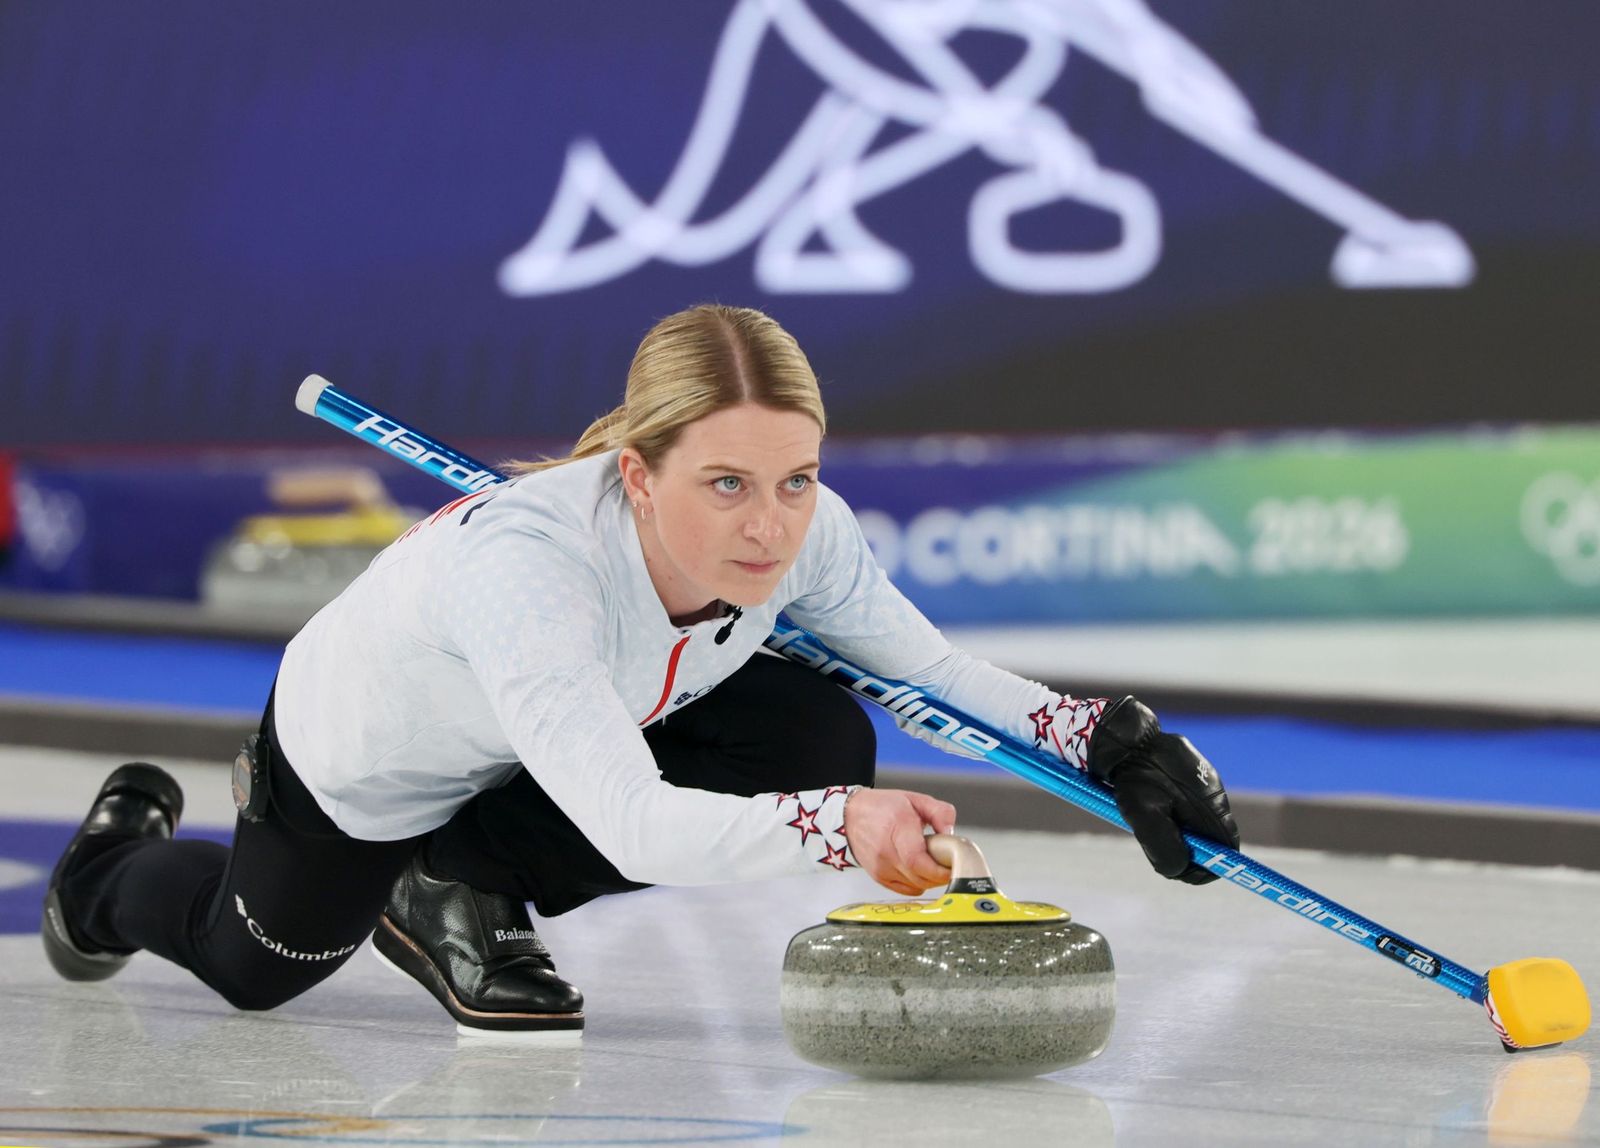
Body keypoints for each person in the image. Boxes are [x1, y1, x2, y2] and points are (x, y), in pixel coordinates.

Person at [42, 304, 1239, 1036]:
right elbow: (633, 825)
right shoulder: (532, 569)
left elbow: (925, 666)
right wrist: (836, 828)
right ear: (636, 474)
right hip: (361, 766)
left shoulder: (802, 533)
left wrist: (1113, 737)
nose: (770, 527)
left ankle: (456, 880)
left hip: (546, 740)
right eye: (725, 483)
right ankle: (103, 871)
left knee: (815, 733)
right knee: (256, 968)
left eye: (795, 477)